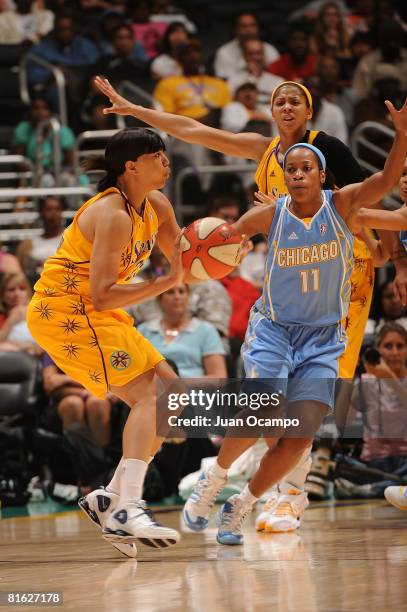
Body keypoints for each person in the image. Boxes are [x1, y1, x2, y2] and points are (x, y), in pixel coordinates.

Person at [94, 76, 407, 531]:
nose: (285, 106)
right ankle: (240, 484)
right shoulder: (264, 154)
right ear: (271, 110)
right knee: (266, 403)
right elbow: (193, 130)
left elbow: (377, 192)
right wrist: (134, 109)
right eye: (278, 100)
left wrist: (394, 259)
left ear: (309, 112)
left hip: (343, 278)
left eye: (294, 101)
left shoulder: (329, 151)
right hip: (287, 289)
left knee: (313, 407)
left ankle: (289, 496)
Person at [179, 113, 405, 546]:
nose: (298, 174)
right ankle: (215, 478)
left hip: (323, 339)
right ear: (284, 177)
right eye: (291, 169)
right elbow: (226, 236)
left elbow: (388, 176)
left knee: (300, 435)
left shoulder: (344, 207)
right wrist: (200, 248)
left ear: (322, 175)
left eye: (307, 169)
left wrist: (402, 134)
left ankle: (241, 503)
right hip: (275, 330)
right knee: (261, 409)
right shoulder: (271, 213)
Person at [26, 127, 196, 555]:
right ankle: (128, 507)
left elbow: (186, 255)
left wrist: (228, 239)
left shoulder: (155, 203)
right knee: (149, 399)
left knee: (172, 394)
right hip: (66, 311)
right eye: (157, 155)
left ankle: (110, 500)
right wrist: (166, 282)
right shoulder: (113, 214)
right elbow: (103, 292)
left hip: (96, 311)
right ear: (131, 166)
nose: (166, 162)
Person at [349, 323, 407, 506]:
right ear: (378, 350)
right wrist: (351, 373)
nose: (395, 352)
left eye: (400, 346)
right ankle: (392, 487)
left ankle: (375, 490)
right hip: (375, 464)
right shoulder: (366, 381)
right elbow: (345, 421)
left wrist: (388, 377)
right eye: (388, 346)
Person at [138, 283, 227, 378]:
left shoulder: (206, 330)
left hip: (192, 389)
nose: (177, 296)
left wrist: (179, 383)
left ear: (189, 297)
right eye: (170, 292)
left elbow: (219, 378)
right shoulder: (144, 330)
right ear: (160, 299)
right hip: (152, 389)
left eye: (181, 291)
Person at [16, 195, 66, 285]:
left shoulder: (69, 239)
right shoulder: (27, 245)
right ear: (41, 213)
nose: (54, 213)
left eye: (57, 209)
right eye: (49, 209)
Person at [214, 13, 279, 81]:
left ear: (258, 28)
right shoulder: (224, 52)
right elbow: (223, 81)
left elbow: (277, 77)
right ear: (236, 29)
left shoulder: (270, 49)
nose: (248, 30)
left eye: (252, 25)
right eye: (243, 26)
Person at [0, 272, 40, 354]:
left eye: (22, 289)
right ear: (3, 295)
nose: (17, 294)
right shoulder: (2, 318)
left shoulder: (40, 313)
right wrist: (11, 321)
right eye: (11, 290)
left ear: (28, 292)